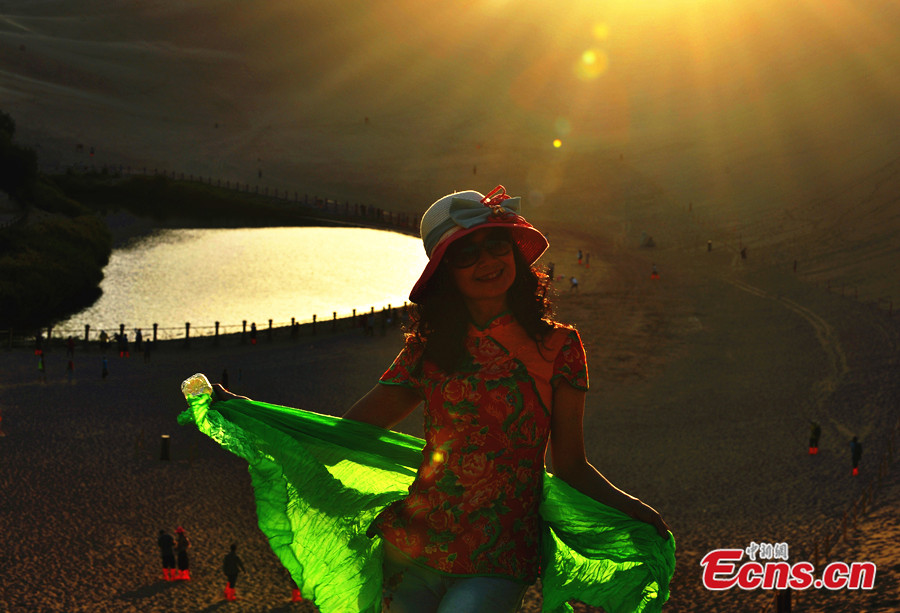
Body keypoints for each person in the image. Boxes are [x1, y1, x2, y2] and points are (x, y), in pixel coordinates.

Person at [212, 186, 670, 612]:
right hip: (413, 546)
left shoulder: (560, 348)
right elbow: (353, 434)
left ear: (514, 252)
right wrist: (250, 416)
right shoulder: (428, 351)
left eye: (496, 245)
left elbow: (569, 464)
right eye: (465, 254)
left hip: (500, 554)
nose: (487, 261)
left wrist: (636, 510)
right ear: (446, 275)